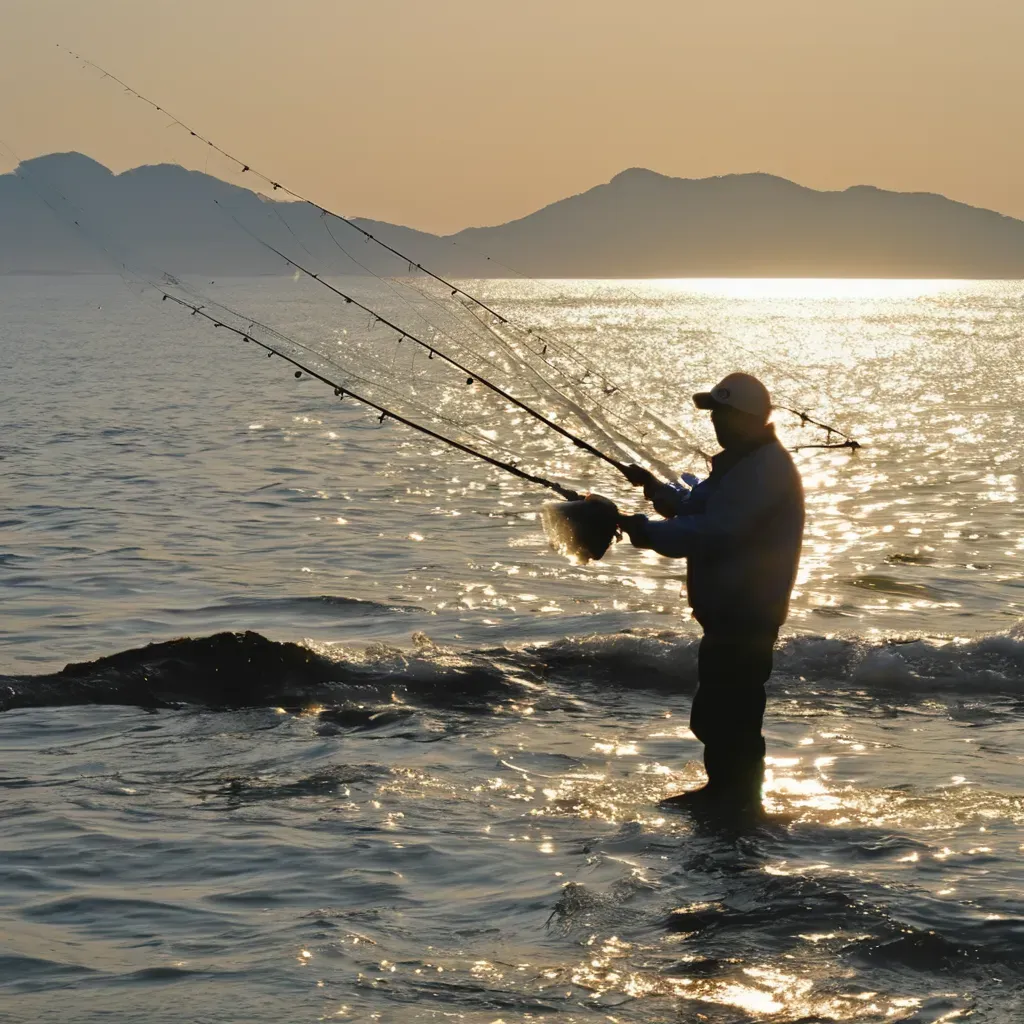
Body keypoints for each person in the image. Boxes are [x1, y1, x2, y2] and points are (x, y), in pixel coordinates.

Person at [618, 373, 804, 810]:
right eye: (712, 412)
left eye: (721, 412)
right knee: (717, 708)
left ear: (745, 417)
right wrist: (655, 490)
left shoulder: (762, 469)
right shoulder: (743, 462)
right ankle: (727, 792)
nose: (715, 421)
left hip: (746, 611)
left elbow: (714, 531)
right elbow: (701, 505)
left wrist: (643, 530)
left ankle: (735, 799)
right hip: (730, 610)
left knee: (731, 711)